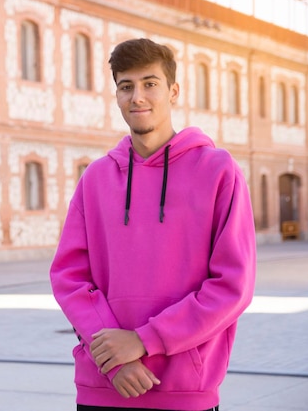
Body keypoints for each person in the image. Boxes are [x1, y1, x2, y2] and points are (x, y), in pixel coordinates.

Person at [49, 38, 256, 411]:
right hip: (104, 388)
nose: (137, 96)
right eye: (126, 86)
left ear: (173, 91)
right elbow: (70, 277)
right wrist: (116, 359)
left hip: (185, 390)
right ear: (116, 96)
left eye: (150, 83)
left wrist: (145, 341)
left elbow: (233, 285)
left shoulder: (218, 171)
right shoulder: (95, 178)